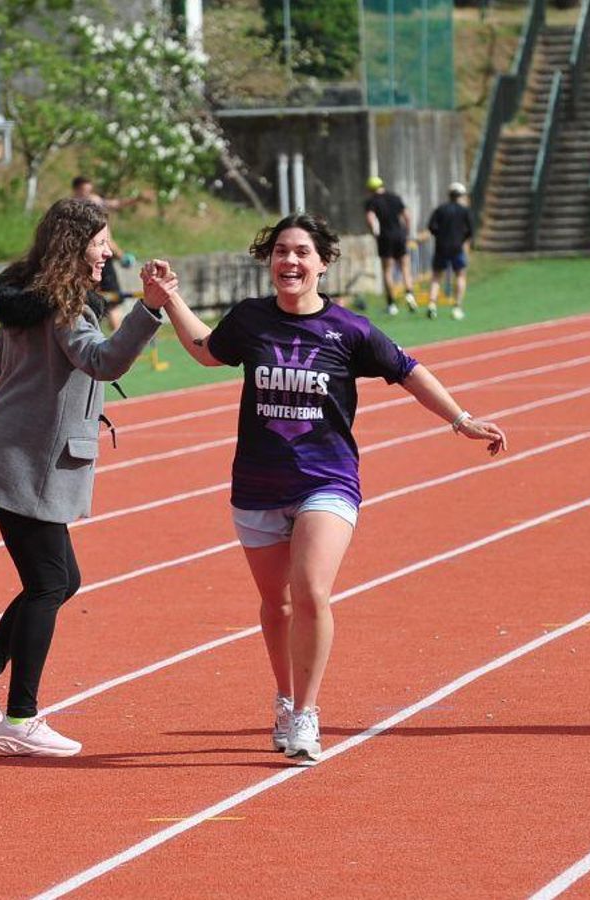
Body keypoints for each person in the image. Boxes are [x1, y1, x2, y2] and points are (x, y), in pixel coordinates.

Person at [140, 213, 507, 764]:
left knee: (311, 590)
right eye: (281, 252)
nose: (290, 262)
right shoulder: (250, 320)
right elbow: (205, 349)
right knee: (276, 604)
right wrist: (167, 298)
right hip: (258, 481)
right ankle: (286, 700)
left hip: (327, 478)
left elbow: (408, 370)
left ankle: (308, 714)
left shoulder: (350, 330)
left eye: (302, 253)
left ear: (323, 263)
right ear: (271, 262)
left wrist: (461, 419)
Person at [0, 197, 165, 758]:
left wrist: (33, 367)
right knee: (48, 583)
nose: (108, 252)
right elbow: (104, 362)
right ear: (75, 245)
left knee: (62, 580)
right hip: (26, 462)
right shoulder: (65, 309)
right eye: (101, 242)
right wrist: (149, 308)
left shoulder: (29, 302)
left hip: (7, 455)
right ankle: (19, 715)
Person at [71, 175, 140, 329]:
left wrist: (136, 199)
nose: (87, 196)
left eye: (89, 191)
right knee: (109, 303)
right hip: (88, 261)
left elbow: (115, 203)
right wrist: (121, 256)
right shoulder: (82, 210)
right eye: (84, 191)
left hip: (88, 261)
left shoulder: (89, 203)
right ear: (76, 191)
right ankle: (118, 346)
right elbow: (105, 238)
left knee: (104, 302)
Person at [363, 176, 417, 316]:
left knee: (387, 270)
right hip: (400, 235)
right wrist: (407, 232)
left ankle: (391, 304)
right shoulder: (395, 197)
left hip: (385, 237)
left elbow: (370, 219)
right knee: (405, 266)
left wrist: (374, 233)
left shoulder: (371, 201)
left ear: (370, 189)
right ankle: (409, 295)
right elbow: (407, 216)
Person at [425, 181, 474, 321]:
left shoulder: (440, 209)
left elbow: (431, 227)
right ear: (461, 195)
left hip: (441, 246)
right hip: (457, 247)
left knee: (436, 276)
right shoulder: (464, 211)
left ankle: (432, 305)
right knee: (460, 275)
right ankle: (457, 307)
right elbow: (470, 230)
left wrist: (439, 236)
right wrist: (462, 239)